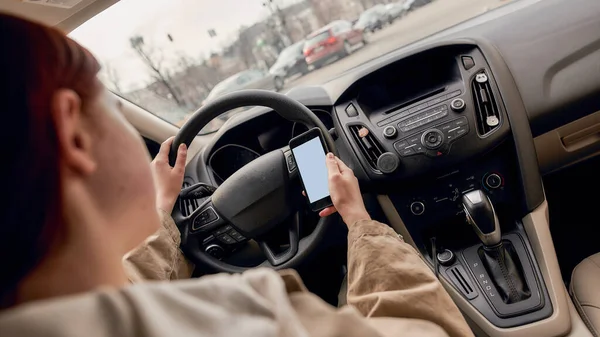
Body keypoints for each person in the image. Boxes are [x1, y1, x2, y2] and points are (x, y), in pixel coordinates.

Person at [0, 13, 473, 337]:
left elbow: (129, 285)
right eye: (112, 108)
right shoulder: (249, 319)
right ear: (74, 134)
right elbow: (428, 330)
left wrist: (163, 212)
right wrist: (360, 225)